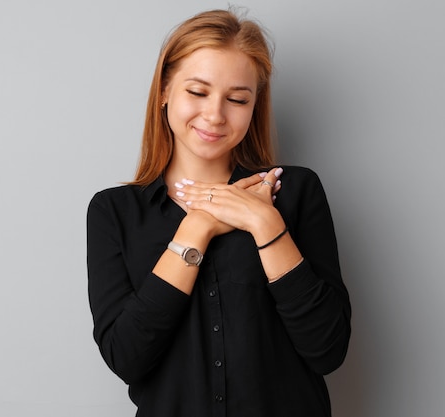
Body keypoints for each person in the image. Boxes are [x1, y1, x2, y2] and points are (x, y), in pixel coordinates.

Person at [86, 8, 351, 417]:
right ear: (164, 91)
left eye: (237, 99)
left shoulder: (294, 192)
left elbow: (327, 350)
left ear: (254, 106)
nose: (214, 114)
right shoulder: (113, 212)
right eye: (197, 92)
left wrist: (265, 223)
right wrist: (196, 229)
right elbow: (127, 357)